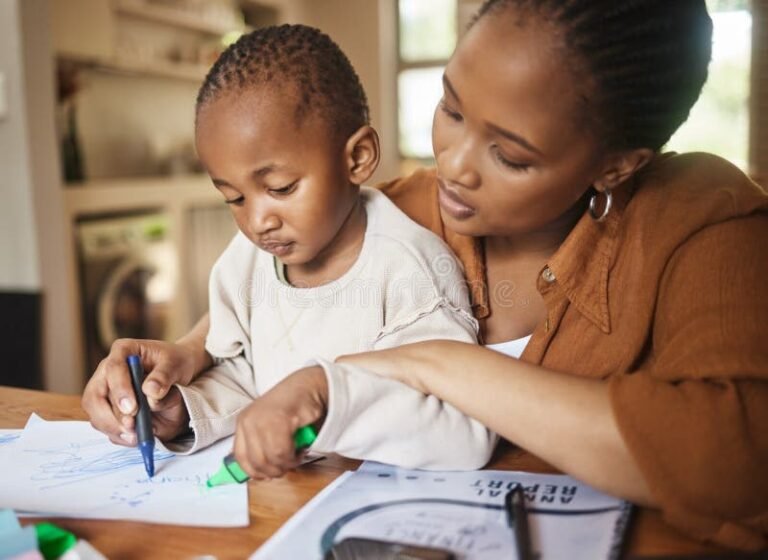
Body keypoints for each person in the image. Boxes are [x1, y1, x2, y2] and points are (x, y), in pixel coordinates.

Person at [83, 0, 768, 550]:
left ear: (616, 164)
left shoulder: (702, 219)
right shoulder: (404, 207)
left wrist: (430, 364)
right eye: (452, 109)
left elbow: (735, 464)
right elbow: (277, 297)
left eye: (510, 154)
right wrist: (186, 358)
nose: (456, 164)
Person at [82, 24, 496, 477]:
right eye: (234, 199)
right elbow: (250, 376)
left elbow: (464, 434)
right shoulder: (246, 263)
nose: (258, 221)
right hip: (287, 504)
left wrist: (327, 405)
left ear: (357, 158)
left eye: (280, 188)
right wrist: (185, 410)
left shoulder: (409, 270)